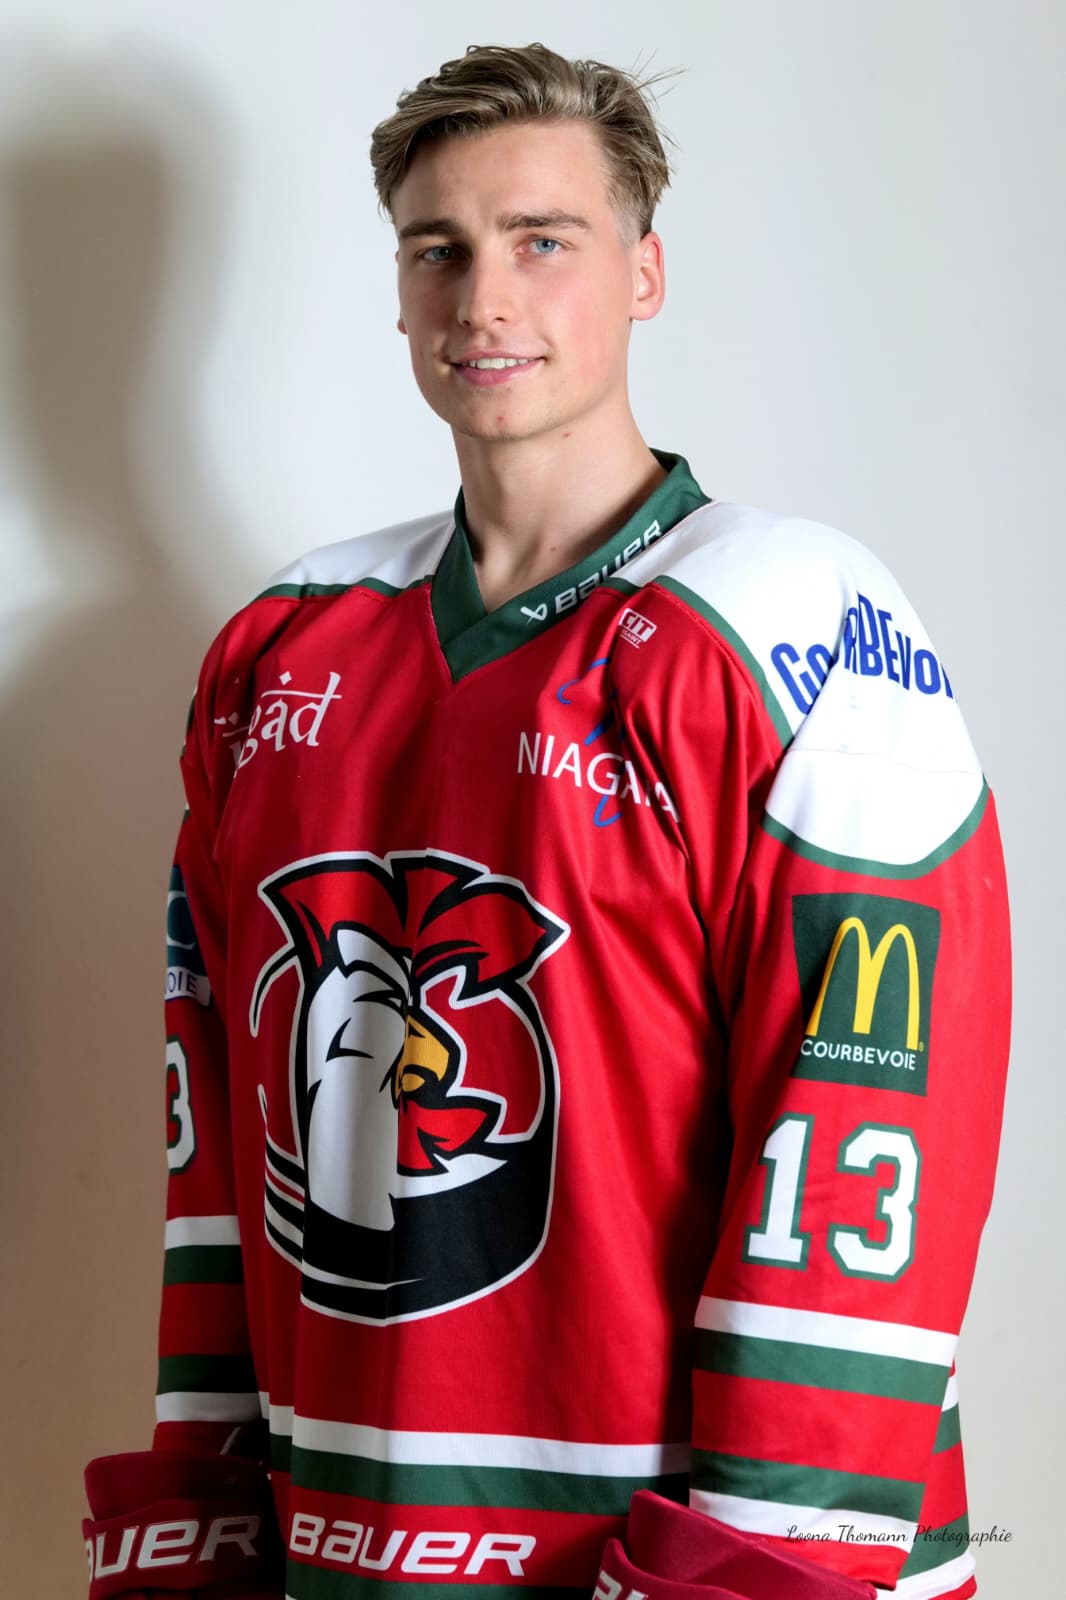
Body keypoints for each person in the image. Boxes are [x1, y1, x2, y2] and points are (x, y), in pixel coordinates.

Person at [82, 40, 1010, 1600]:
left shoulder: (793, 620)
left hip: (664, 1540)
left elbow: (866, 1119)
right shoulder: (280, 644)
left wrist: (756, 1563)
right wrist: (206, 1508)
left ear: (644, 273)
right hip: (349, 1528)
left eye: (541, 242)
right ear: (397, 292)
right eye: (436, 251)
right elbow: (217, 1133)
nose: (482, 300)